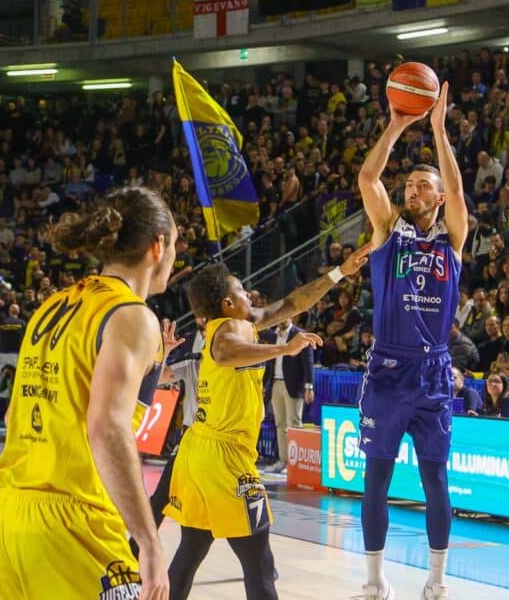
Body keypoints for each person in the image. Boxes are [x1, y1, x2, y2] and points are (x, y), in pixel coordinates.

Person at [0, 187, 178, 600]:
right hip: (75, 527)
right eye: (176, 245)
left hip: (11, 520)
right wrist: (148, 540)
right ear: (157, 246)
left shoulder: (54, 305)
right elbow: (107, 427)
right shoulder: (132, 316)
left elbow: (12, 417)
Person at [163, 248, 370, 600]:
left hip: (198, 451)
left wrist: (339, 273)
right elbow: (226, 352)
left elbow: (291, 304)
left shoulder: (241, 322)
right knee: (259, 563)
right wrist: (284, 351)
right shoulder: (230, 328)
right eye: (243, 290)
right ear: (228, 303)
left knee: (191, 549)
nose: (250, 295)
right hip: (225, 459)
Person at [355, 82, 466, 600]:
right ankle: (375, 581)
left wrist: (439, 131)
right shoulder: (388, 229)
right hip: (387, 369)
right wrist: (399, 125)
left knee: (435, 480)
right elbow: (367, 176)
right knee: (375, 479)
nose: (412, 191)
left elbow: (460, 193)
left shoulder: (452, 238)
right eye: (410, 185)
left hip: (433, 373)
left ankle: (437, 582)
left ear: (438, 198)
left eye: (423, 186)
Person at [262, 319, 315, 474]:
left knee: (294, 423)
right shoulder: (273, 336)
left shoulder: (299, 335)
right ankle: (283, 460)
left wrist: (309, 386)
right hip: (276, 383)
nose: (281, 320)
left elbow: (308, 362)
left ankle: (295, 463)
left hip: (293, 384)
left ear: (292, 316)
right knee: (280, 424)